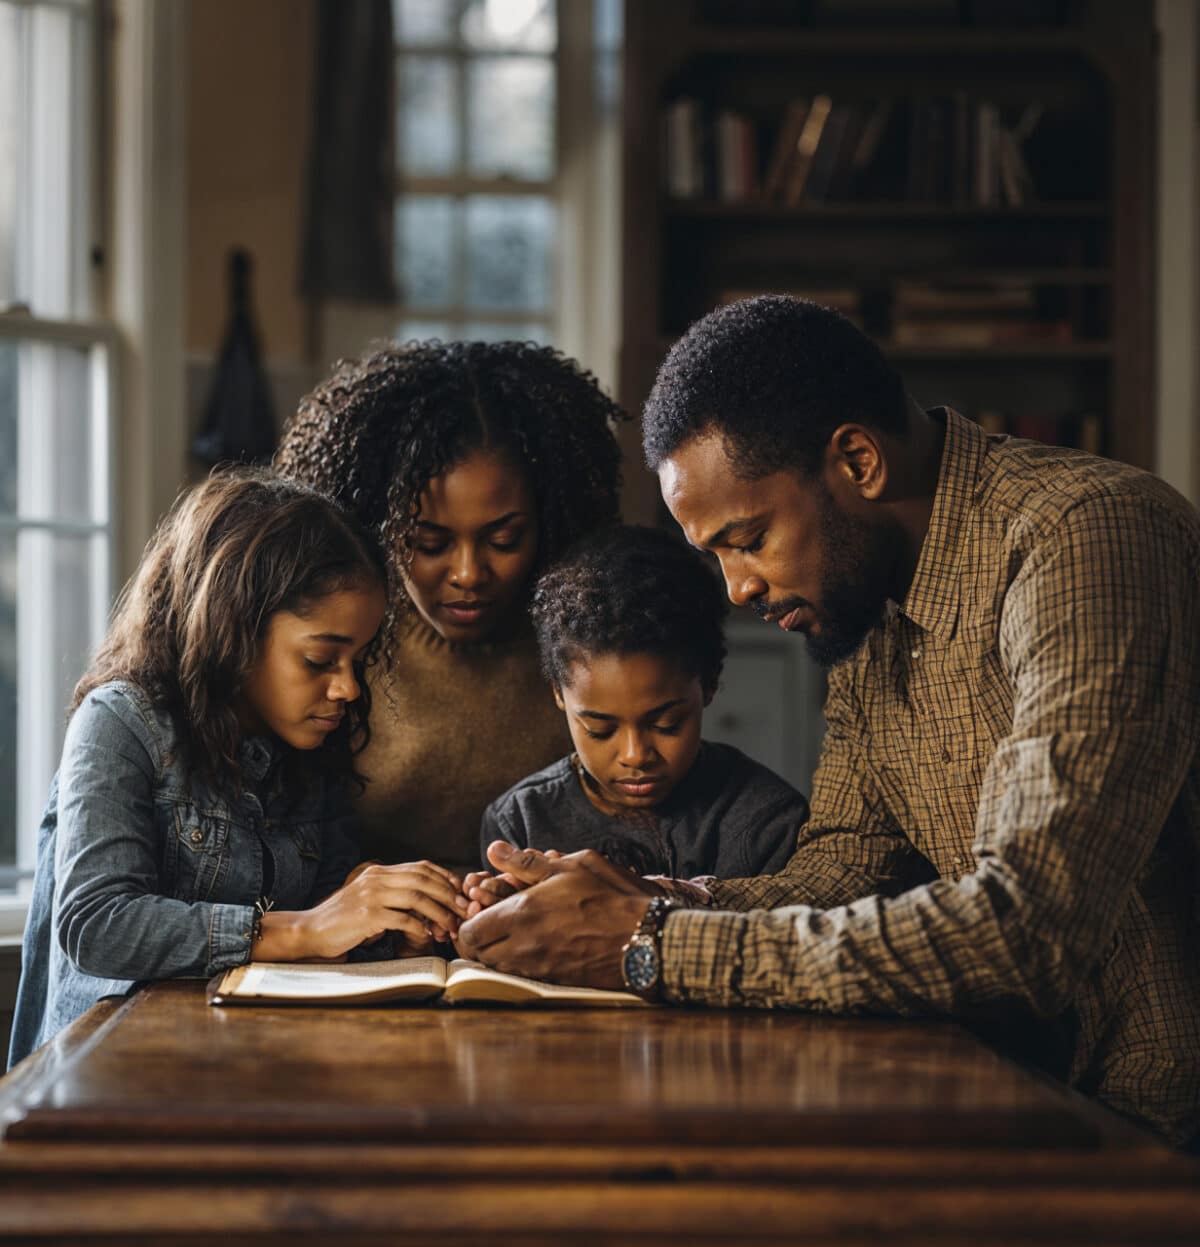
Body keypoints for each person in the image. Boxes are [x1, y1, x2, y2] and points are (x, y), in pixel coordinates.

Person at [456, 295, 1200, 1147]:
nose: (734, 588)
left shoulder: (1084, 540)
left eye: (748, 536)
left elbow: (1025, 926)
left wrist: (649, 944)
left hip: (1159, 1134)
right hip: (1008, 1103)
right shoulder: (865, 606)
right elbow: (843, 869)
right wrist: (646, 898)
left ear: (857, 460)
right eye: (715, 555)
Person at [9, 469, 468, 1067]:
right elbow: (96, 924)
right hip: (107, 1081)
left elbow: (327, 927)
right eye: (320, 658)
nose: (349, 688)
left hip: (254, 1063)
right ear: (234, 630)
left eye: (358, 658)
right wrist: (298, 931)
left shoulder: (311, 752)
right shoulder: (121, 722)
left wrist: (390, 924)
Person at [274, 340, 626, 878]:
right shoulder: (339, 643)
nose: (467, 574)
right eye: (429, 543)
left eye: (504, 539)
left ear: (551, 517)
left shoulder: (592, 643)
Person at [473, 524, 806, 883]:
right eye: (600, 730)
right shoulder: (521, 820)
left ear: (709, 684)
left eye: (667, 725)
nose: (635, 755)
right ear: (559, 694)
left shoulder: (768, 820)